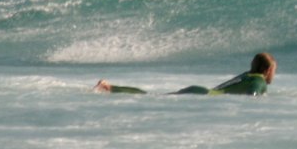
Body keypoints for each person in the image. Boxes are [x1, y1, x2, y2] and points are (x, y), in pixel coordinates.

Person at [95, 52, 276, 96]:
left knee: (152, 96)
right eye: (273, 71)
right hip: (203, 96)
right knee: (152, 96)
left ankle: (110, 87)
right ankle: (109, 87)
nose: (273, 76)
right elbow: (251, 98)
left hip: (201, 92)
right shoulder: (258, 82)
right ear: (267, 70)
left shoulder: (248, 75)